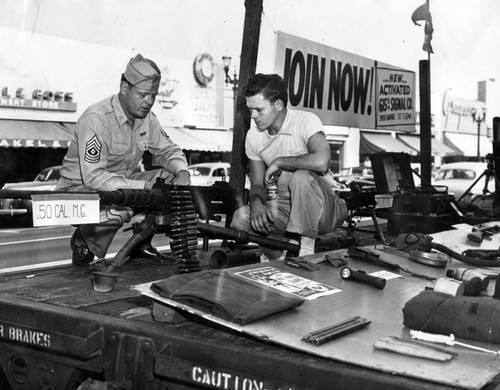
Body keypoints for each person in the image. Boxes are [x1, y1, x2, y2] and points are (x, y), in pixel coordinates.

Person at [56, 54, 191, 268]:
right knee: (123, 206)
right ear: (124, 88)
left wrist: (183, 172)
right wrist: (145, 188)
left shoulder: (147, 118)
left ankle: (141, 243)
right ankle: (84, 242)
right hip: (76, 193)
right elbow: (94, 178)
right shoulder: (97, 118)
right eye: (143, 94)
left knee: (172, 180)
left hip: (119, 188)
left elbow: (169, 151)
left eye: (153, 95)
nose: (149, 102)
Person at [230, 73, 347, 257]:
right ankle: (278, 251)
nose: (252, 116)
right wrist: (257, 203)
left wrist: (280, 162)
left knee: (301, 176)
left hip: (325, 209)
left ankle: (305, 251)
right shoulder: (253, 136)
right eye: (250, 110)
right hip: (286, 209)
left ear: (278, 105)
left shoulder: (305, 121)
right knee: (240, 218)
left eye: (259, 110)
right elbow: (257, 184)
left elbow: (322, 161)